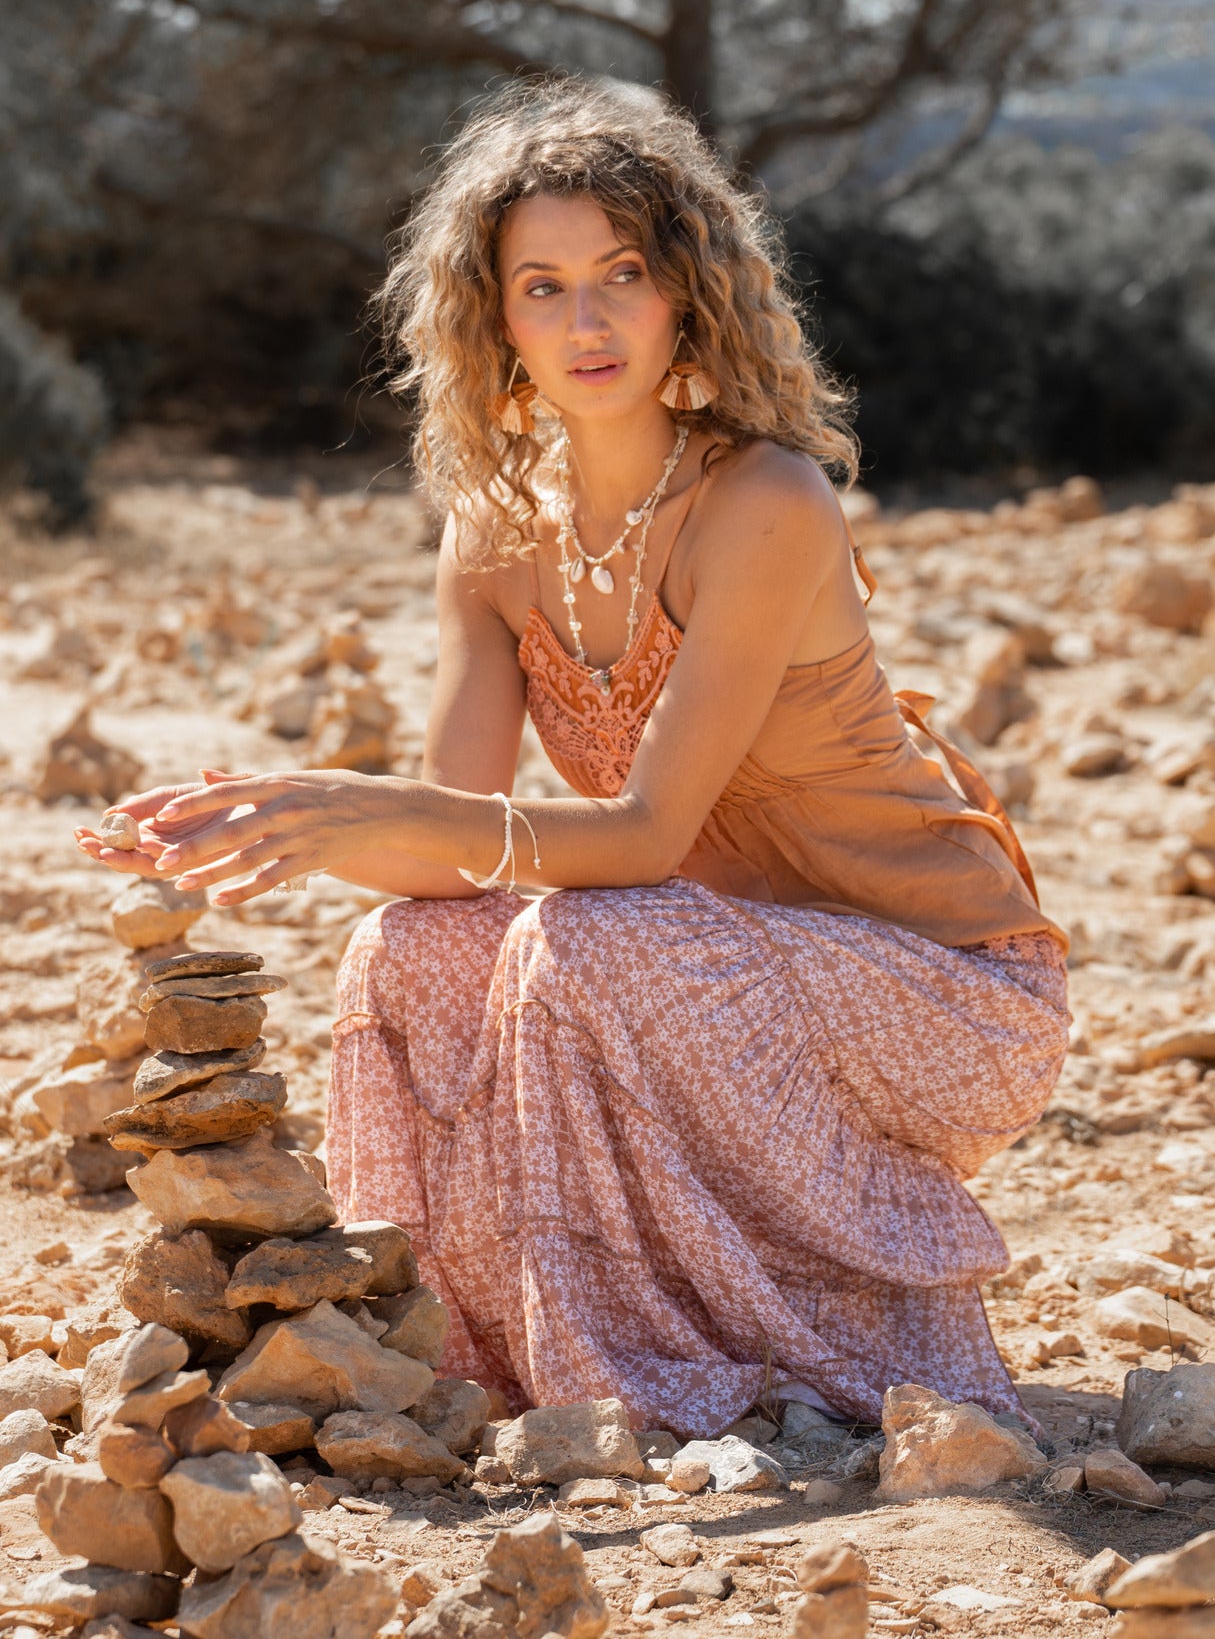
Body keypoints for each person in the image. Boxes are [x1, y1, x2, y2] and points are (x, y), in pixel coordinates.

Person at [78, 75, 1068, 1440]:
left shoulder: (765, 499)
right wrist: (282, 822)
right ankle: (476, 1351)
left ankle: (643, 1382)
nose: (587, 323)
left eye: (623, 275)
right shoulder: (492, 533)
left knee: (587, 940)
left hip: (942, 987)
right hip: (697, 962)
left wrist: (365, 800)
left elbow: (646, 836)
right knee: (407, 951)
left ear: (687, 293)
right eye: (542, 288)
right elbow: (451, 856)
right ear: (495, 319)